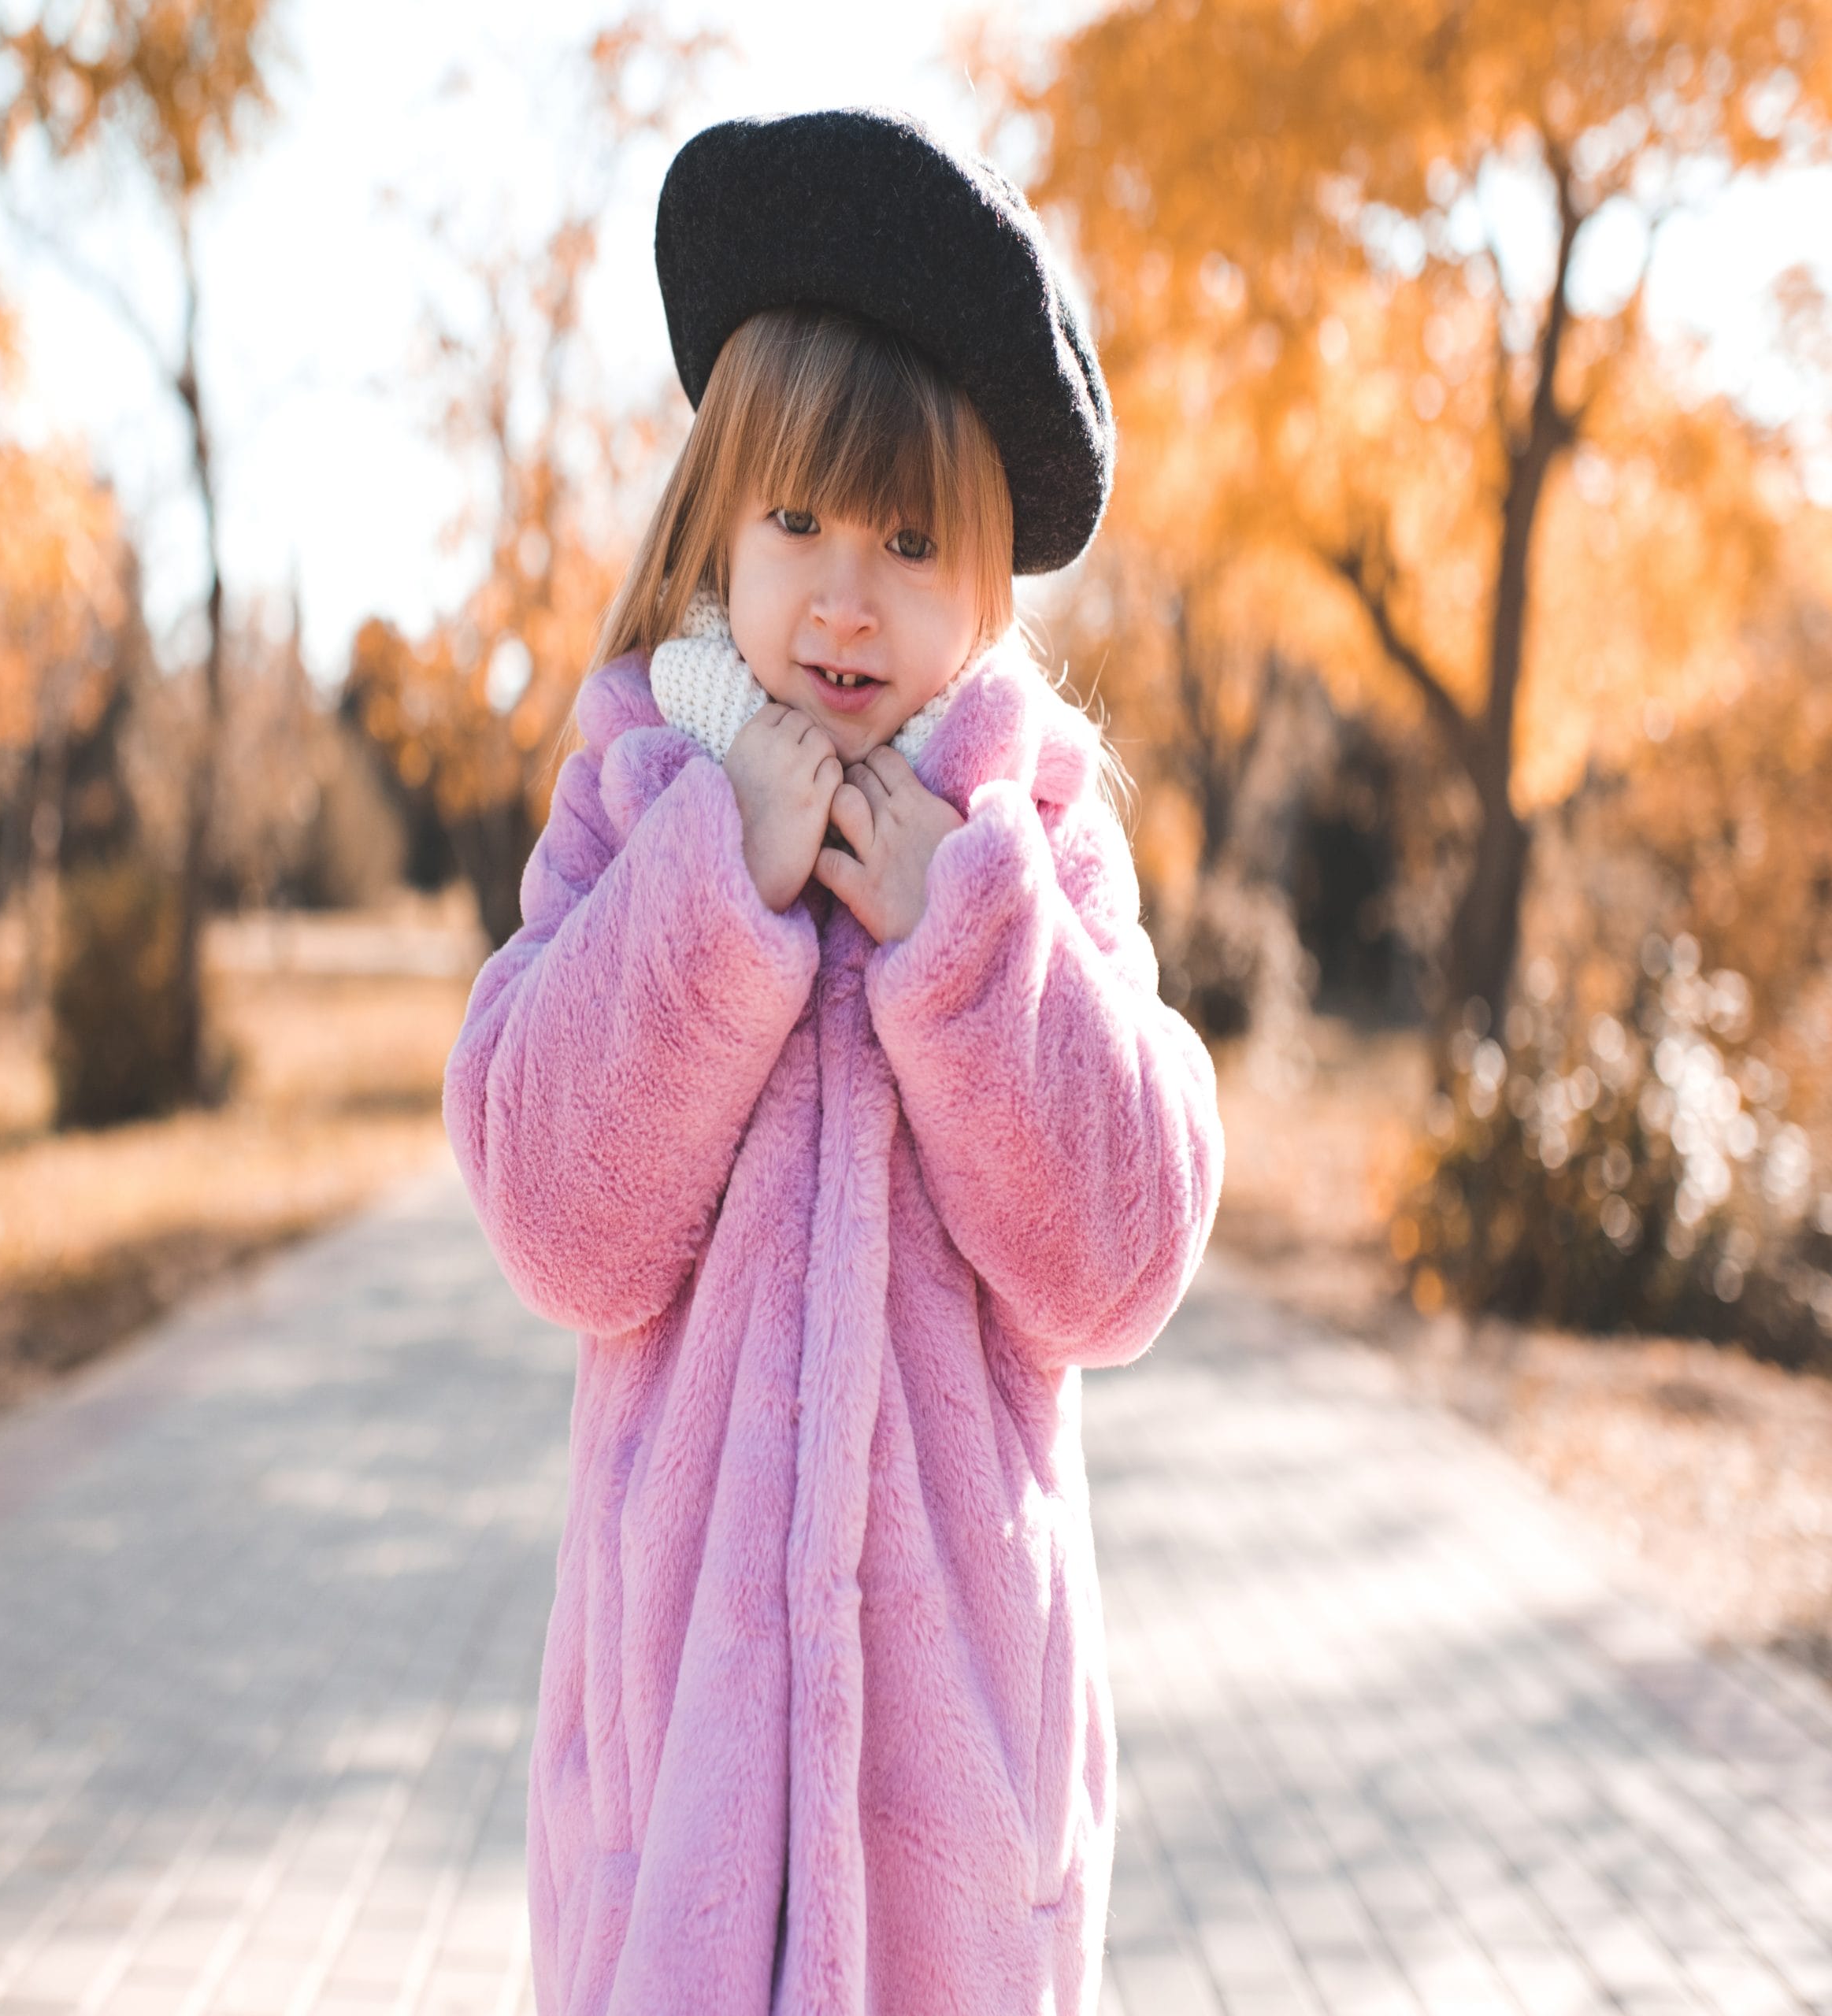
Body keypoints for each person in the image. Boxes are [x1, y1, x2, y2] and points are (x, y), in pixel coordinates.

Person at [443, 105, 1224, 2016]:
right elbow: (553, 1220)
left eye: (905, 537)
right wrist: (711, 900)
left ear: (988, 584)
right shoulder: (637, 802)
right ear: (715, 521)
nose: (844, 594)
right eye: (793, 521)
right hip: (674, 1815)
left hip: (958, 1824)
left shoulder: (1027, 843)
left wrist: (964, 939)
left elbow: (1118, 1262)